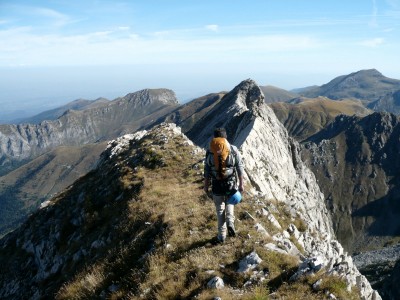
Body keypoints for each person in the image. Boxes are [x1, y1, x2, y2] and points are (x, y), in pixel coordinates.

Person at [204, 128, 244, 243]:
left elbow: (206, 170)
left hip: (216, 186)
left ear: (214, 138)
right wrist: (241, 184)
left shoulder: (210, 151)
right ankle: (230, 221)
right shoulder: (233, 149)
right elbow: (239, 167)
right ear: (225, 137)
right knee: (230, 201)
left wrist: (206, 185)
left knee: (220, 208)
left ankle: (221, 236)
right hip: (230, 184)